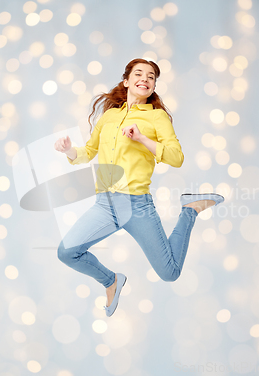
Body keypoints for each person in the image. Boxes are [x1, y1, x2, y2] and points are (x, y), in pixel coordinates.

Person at [54, 58, 224, 317]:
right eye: (139, 74)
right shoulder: (109, 116)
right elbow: (88, 151)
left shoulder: (157, 118)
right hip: (105, 205)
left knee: (170, 273)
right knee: (67, 252)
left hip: (136, 206)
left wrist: (142, 138)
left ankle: (189, 210)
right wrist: (69, 151)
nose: (145, 79)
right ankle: (111, 281)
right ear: (127, 81)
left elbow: (177, 158)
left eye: (151, 77)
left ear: (153, 86)